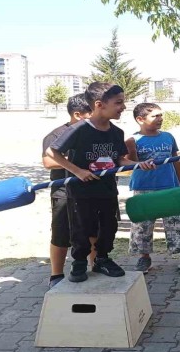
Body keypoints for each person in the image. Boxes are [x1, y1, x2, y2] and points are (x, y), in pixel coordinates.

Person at [46, 82, 155, 283]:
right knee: (81, 228)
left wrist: (138, 164)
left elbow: (119, 159)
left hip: (106, 190)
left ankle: (102, 260)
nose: (123, 107)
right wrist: (77, 171)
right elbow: (52, 152)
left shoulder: (116, 132)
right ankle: (78, 263)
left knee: (108, 227)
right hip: (80, 192)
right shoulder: (79, 129)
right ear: (99, 104)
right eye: (119, 103)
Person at [126, 102, 180, 276]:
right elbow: (128, 163)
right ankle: (144, 257)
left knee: (177, 223)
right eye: (155, 116)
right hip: (143, 188)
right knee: (142, 225)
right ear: (140, 119)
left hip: (169, 187)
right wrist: (138, 163)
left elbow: (175, 160)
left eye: (161, 115)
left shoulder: (168, 137)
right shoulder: (132, 140)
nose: (160, 119)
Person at [41, 93, 93, 288]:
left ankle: (94, 266)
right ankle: (56, 275)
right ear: (78, 114)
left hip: (91, 190)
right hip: (63, 190)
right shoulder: (56, 135)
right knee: (61, 232)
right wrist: (77, 167)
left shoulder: (95, 131)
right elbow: (48, 161)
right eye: (91, 112)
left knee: (94, 231)